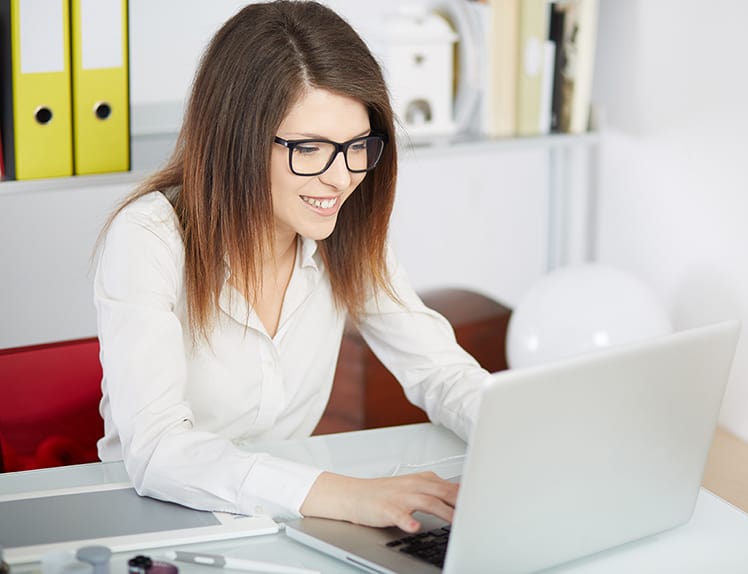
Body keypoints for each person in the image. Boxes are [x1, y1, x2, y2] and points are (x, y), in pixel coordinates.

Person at [93, 1, 488, 534]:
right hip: (149, 522)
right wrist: (347, 495)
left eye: (357, 148)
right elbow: (158, 449)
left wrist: (518, 433)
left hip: (283, 520)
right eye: (310, 149)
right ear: (236, 138)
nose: (340, 178)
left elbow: (439, 370)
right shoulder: (149, 238)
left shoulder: (342, 230)